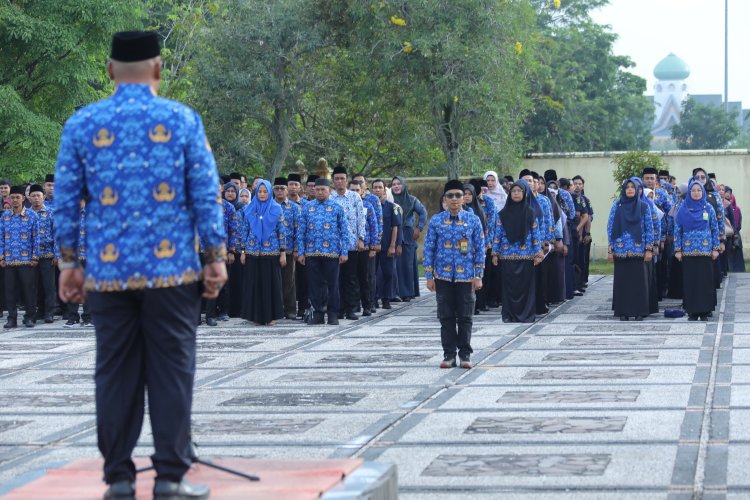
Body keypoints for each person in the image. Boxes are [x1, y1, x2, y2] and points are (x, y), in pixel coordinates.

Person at [53, 31, 225, 499]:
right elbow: (205, 194)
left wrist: (69, 263)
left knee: (114, 372)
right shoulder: (182, 120)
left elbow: (64, 201)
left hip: (107, 275)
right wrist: (214, 256)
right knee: (172, 371)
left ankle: (119, 479)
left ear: (110, 71)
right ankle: (170, 476)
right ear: (158, 69)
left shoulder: (82, 124)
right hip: (173, 272)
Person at [424, 179, 484, 369]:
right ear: (445, 198)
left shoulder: (473, 220)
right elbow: (429, 249)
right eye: (450, 195)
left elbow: (480, 249)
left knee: (466, 317)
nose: (454, 199)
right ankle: (449, 355)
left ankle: (465, 355)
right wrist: (429, 276)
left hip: (466, 276)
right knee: (446, 317)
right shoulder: (436, 221)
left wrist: (479, 275)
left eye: (458, 195)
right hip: (443, 276)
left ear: (464, 198)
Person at [296, 178, 349, 325]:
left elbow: (345, 231)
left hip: (332, 253)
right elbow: (301, 231)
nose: (320, 192)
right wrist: (301, 252)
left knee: (333, 285)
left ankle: (333, 314)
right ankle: (318, 314)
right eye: (317, 189)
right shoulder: (307, 208)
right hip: (312, 252)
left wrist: (344, 251)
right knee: (314, 285)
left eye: (323, 190)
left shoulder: (337, 207)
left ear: (329, 191)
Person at [492, 180, 543, 323]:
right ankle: (510, 315)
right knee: (509, 287)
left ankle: (526, 315)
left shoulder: (531, 213)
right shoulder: (502, 214)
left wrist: (538, 253)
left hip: (526, 256)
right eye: (513, 191)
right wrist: (495, 253)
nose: (516, 193)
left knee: (525, 287)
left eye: (519, 191)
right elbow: (498, 234)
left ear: (524, 194)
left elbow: (536, 234)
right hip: (507, 255)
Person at [240, 180, 286, 325]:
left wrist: (283, 252)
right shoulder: (249, 209)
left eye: (265, 191)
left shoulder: (277, 209)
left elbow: (281, 232)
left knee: (270, 285)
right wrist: (242, 251)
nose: (262, 194)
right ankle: (257, 317)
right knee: (254, 285)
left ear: (269, 192)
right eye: (259, 191)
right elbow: (244, 231)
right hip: (252, 252)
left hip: (271, 252)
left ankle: (271, 316)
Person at [607, 179, 653, 321]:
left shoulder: (644, 206)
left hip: (638, 250)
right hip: (621, 250)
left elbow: (649, 228)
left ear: (638, 190)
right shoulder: (617, 205)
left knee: (639, 283)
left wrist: (649, 249)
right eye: (627, 187)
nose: (630, 189)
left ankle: (639, 311)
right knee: (622, 282)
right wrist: (610, 249)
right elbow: (610, 227)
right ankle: (623, 312)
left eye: (633, 187)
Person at [674, 181, 720, 321]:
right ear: (689, 192)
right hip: (688, 252)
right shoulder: (683, 209)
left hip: (705, 251)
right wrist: (678, 250)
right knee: (691, 281)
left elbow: (715, 228)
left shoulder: (709, 208)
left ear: (703, 192)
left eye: (699, 190)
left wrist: (715, 248)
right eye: (693, 190)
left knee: (705, 282)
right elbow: (677, 229)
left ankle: (705, 311)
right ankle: (692, 312)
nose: (696, 193)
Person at [0, 185, 40, 328]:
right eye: (13, 198)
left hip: (27, 260)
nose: (15, 200)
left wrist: (35, 257)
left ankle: (30, 317)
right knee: (10, 291)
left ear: (23, 198)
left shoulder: (32, 216)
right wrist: (1, 257)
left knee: (28, 290)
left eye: (18, 197)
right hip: (9, 260)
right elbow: (1, 238)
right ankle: (12, 318)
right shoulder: (5, 216)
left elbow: (36, 238)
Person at [330, 165, 365, 320]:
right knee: (335, 279)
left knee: (350, 278)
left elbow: (361, 219)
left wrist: (361, 239)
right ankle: (338, 309)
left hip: (351, 244)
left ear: (347, 180)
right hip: (334, 246)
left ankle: (351, 309)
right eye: (337, 179)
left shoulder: (355, 197)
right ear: (333, 181)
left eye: (342, 178)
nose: (339, 181)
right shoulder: (330, 198)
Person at [391, 176, 427, 302]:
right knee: (393, 264)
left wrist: (419, 228)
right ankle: (393, 293)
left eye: (398, 183)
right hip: (392, 233)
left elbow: (423, 213)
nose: (396, 186)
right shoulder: (389, 199)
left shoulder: (412, 200)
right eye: (393, 184)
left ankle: (407, 292)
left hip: (407, 234)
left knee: (406, 264)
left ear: (404, 185)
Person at [353, 173, 382, 313]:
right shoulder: (345, 204)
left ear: (363, 188)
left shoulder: (369, 203)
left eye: (357, 189)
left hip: (366, 246)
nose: (355, 192)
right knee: (353, 278)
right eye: (352, 190)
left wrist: (374, 246)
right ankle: (354, 304)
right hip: (350, 248)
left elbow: (375, 225)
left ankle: (369, 303)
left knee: (367, 277)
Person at [273, 176, 301, 320]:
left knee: (289, 280)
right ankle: (276, 309)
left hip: (289, 250)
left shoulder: (294, 208)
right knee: (274, 280)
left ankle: (290, 309)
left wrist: (296, 249)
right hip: (271, 250)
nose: (280, 191)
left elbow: (298, 230)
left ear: (286, 190)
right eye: (277, 188)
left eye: (282, 188)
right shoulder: (269, 207)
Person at [28, 184, 57, 323]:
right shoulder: (26, 214)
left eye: (38, 196)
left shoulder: (51, 213)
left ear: (43, 197)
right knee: (34, 286)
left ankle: (49, 312)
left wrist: (57, 254)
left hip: (47, 255)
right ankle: (38, 312)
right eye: (33, 196)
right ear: (29, 198)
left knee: (48, 286)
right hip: (30, 256)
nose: (36, 198)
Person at [372, 179, 401, 309]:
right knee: (371, 274)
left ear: (384, 190)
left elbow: (395, 227)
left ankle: (386, 299)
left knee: (388, 273)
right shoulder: (367, 206)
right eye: (375, 187)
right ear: (372, 190)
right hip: (372, 246)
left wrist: (392, 245)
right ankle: (373, 299)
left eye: (380, 187)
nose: (377, 190)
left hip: (386, 245)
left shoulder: (391, 207)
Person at [222, 181, 243, 317]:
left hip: (238, 250)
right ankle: (223, 308)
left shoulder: (243, 208)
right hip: (222, 249)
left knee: (236, 281)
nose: (230, 193)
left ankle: (236, 310)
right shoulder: (220, 207)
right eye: (228, 191)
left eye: (233, 191)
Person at [725, 187, 745, 272]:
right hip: (728, 233)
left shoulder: (737, 209)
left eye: (731, 199)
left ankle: (739, 270)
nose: (730, 201)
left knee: (737, 254)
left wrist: (735, 231)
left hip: (736, 234)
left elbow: (739, 223)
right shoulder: (724, 207)